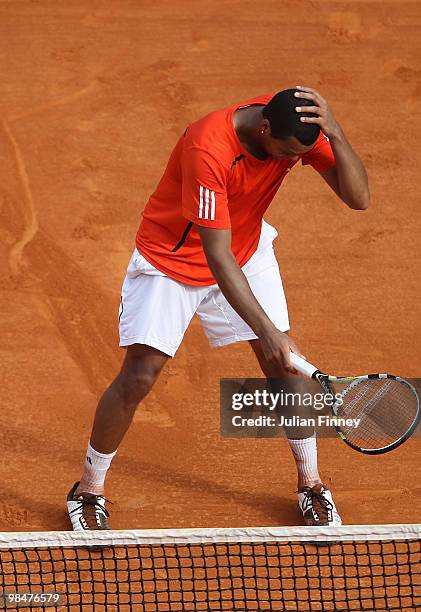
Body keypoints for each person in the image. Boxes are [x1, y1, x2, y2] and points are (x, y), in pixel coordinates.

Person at [67, 86, 370, 531]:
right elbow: (216, 255)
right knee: (139, 376)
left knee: (283, 370)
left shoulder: (296, 126)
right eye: (286, 153)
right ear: (264, 128)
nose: (290, 161)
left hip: (244, 250)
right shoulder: (208, 147)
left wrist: (338, 135)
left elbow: (358, 198)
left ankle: (311, 485)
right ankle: (88, 489)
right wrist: (268, 331)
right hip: (172, 261)